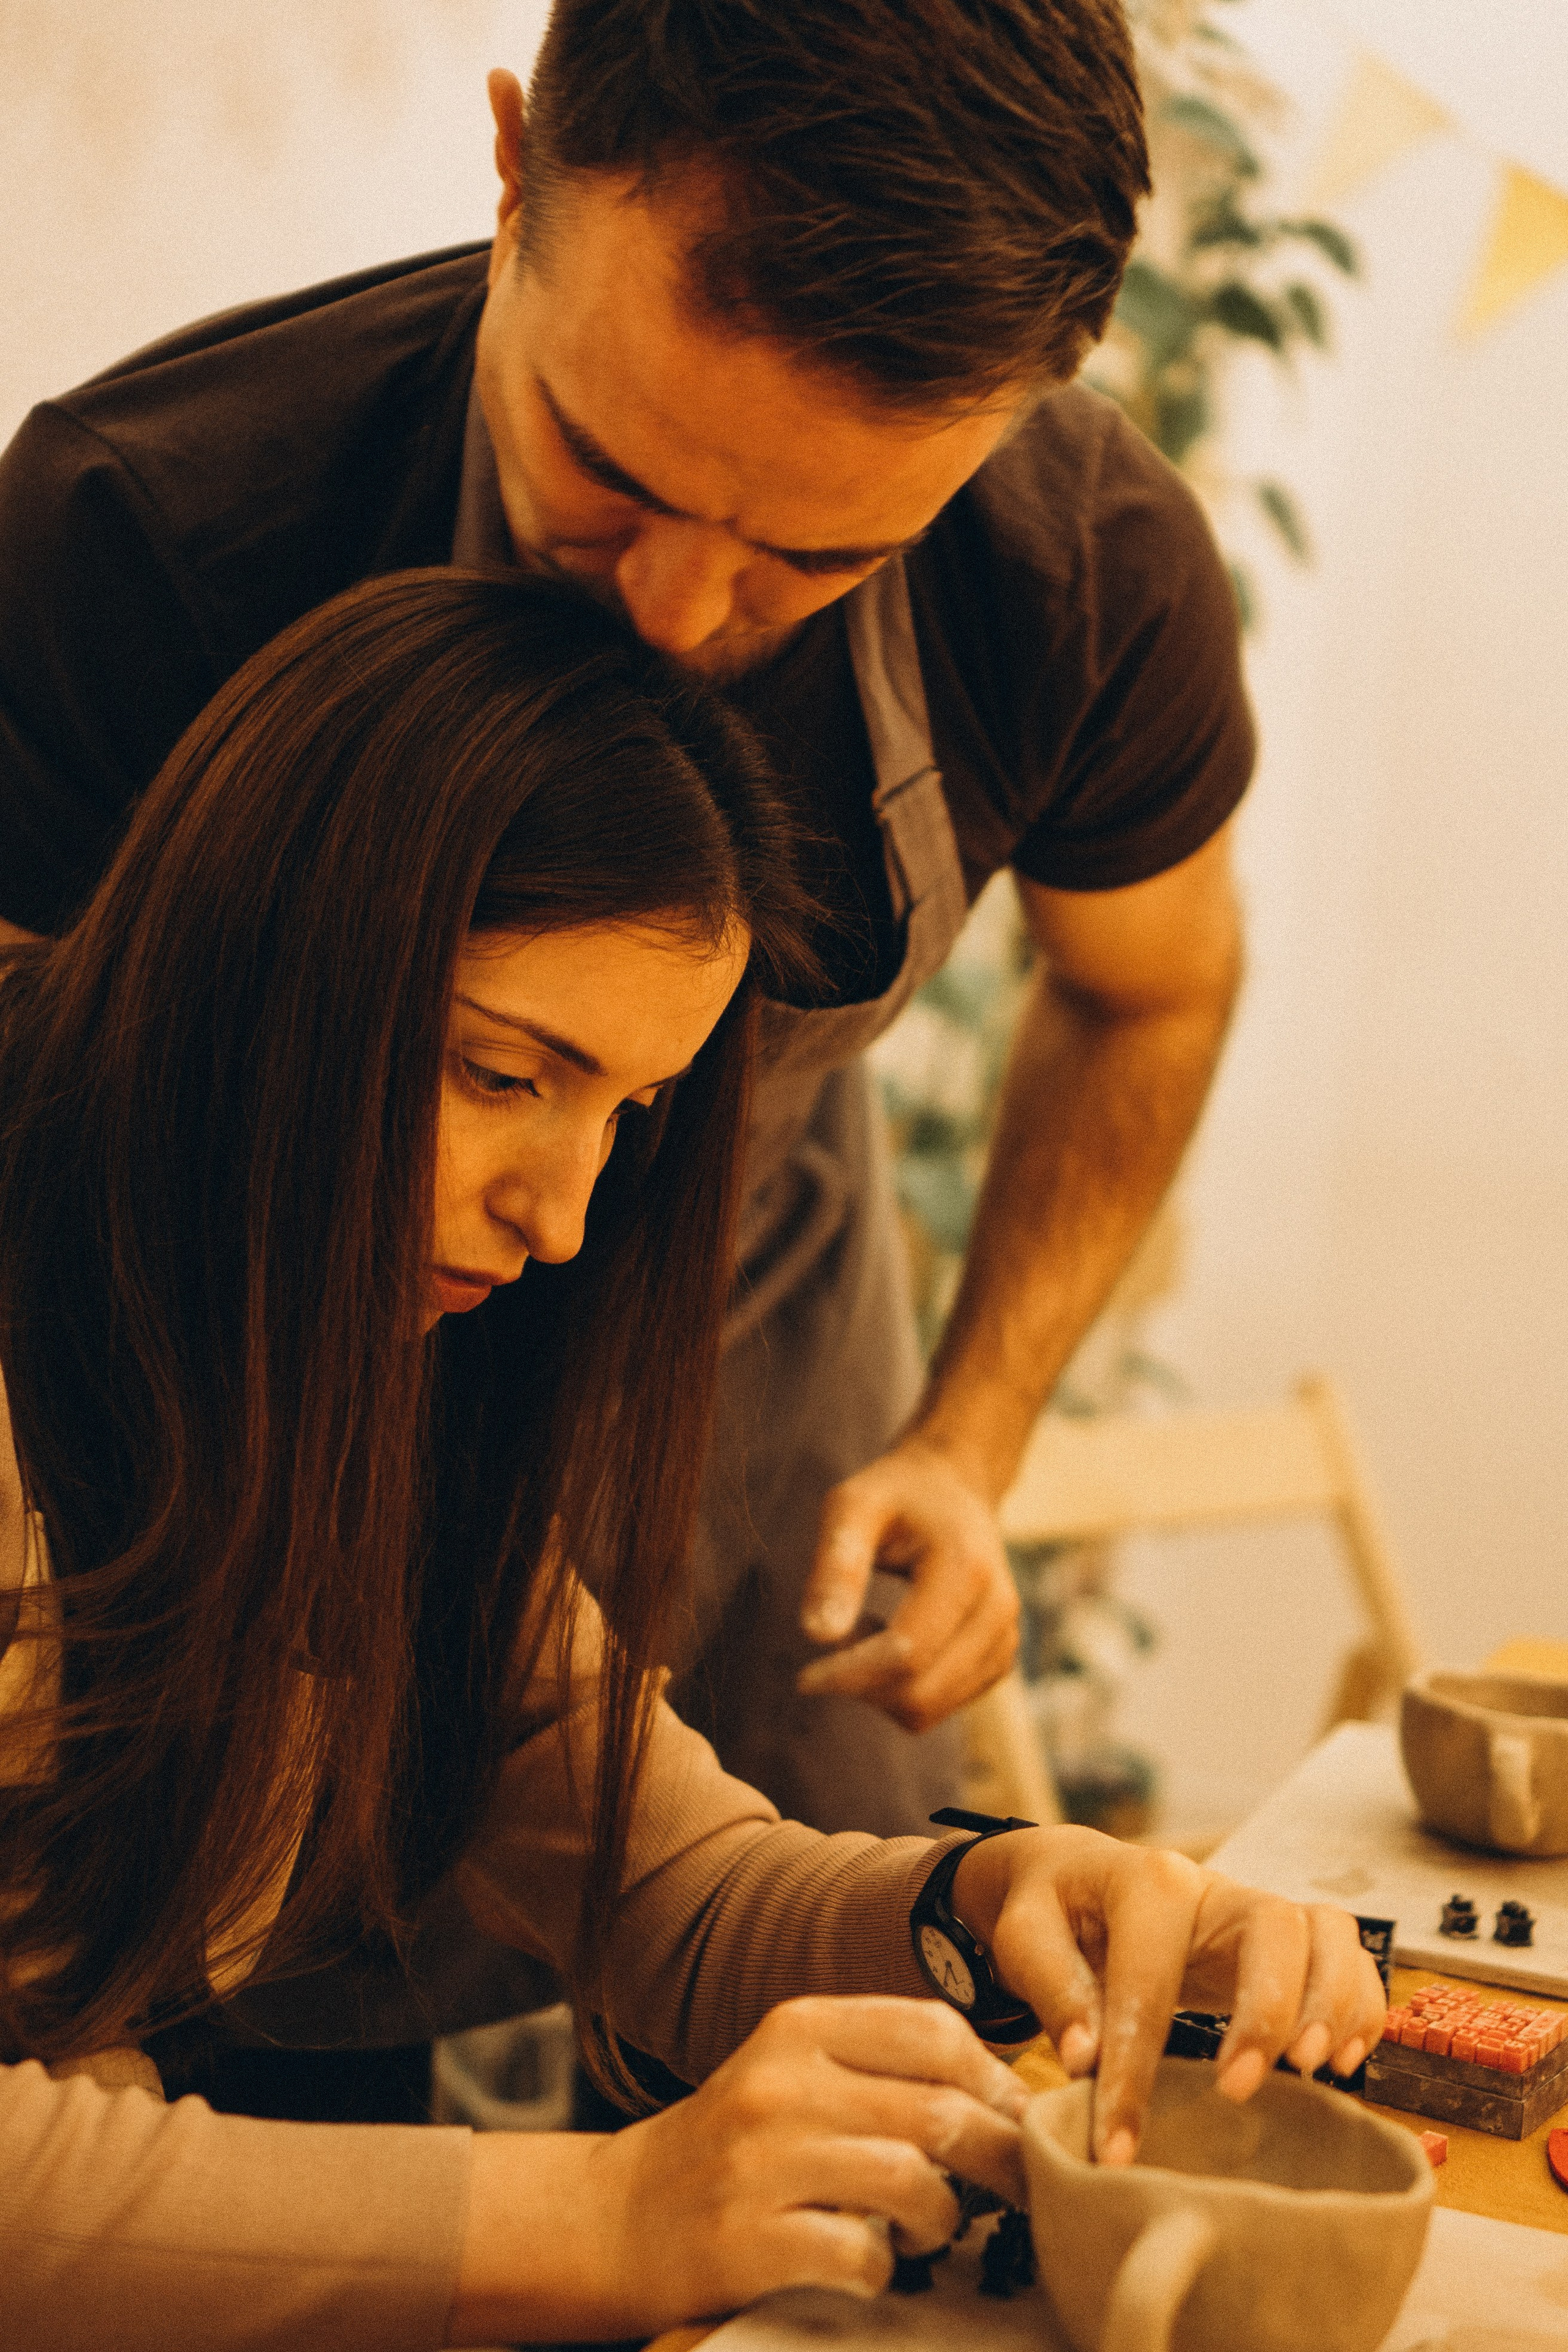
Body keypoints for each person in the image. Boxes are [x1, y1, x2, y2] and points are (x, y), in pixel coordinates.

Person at [0, 570, 1381, 2350]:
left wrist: (991, 1897)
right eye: (505, 1073)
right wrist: (604, 2211)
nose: (564, 1217)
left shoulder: (360, 1362)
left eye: (628, 1114)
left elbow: (678, 1891)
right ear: (263, 964)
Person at [0, 0, 1250, 1841]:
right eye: (611, 473)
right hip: (231, 1436)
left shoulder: (1078, 580)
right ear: (516, 167)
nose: (676, 612)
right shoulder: (145, 529)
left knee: (808, 1948)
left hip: (760, 1406)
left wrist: (968, 1446)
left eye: (818, 558)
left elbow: (1149, 995)